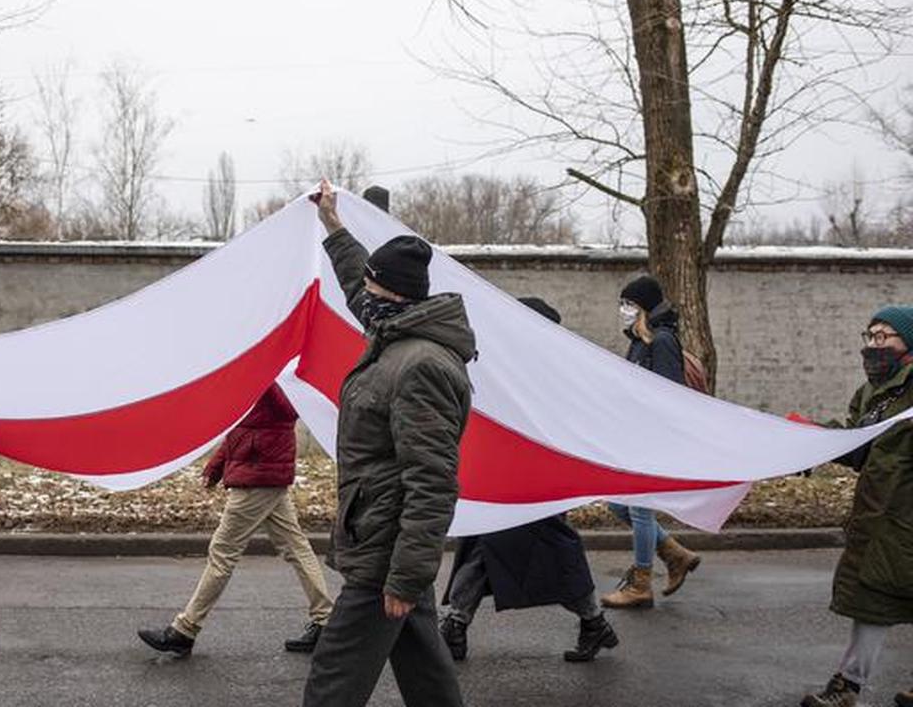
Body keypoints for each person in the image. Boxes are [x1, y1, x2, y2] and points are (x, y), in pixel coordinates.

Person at [301, 180, 474, 707]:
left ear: (395, 297)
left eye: (373, 290)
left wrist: (404, 576)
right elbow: (359, 284)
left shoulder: (421, 365)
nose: (364, 298)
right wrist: (333, 225)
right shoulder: (394, 331)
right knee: (425, 672)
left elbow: (432, 481)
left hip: (385, 548)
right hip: (385, 536)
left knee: (333, 676)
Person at [439, 296, 618, 663]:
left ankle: (593, 621)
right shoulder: (516, 368)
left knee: (547, 552)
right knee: (486, 545)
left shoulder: (549, 374)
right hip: (505, 478)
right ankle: (456, 623)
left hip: (537, 483)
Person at [137, 384, 333, 656]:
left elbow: (288, 410)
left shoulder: (276, 379)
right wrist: (216, 466)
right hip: (261, 473)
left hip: (258, 476)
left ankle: (184, 630)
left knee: (223, 552)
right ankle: (325, 620)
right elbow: (240, 427)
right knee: (297, 548)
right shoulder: (256, 376)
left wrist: (268, 377)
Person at [800, 307, 913, 707]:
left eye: (884, 337)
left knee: (879, 597)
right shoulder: (872, 393)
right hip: (881, 517)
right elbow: (857, 447)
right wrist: (812, 439)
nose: (874, 345)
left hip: (904, 518)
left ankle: (847, 686)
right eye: (870, 336)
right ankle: (848, 687)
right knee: (873, 601)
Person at [600, 275, 703, 609]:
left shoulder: (662, 341)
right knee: (618, 504)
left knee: (639, 508)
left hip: (651, 437)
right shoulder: (640, 340)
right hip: (633, 434)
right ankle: (674, 554)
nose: (623, 309)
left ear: (643, 306)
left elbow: (668, 394)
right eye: (622, 304)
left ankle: (641, 584)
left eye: (629, 304)